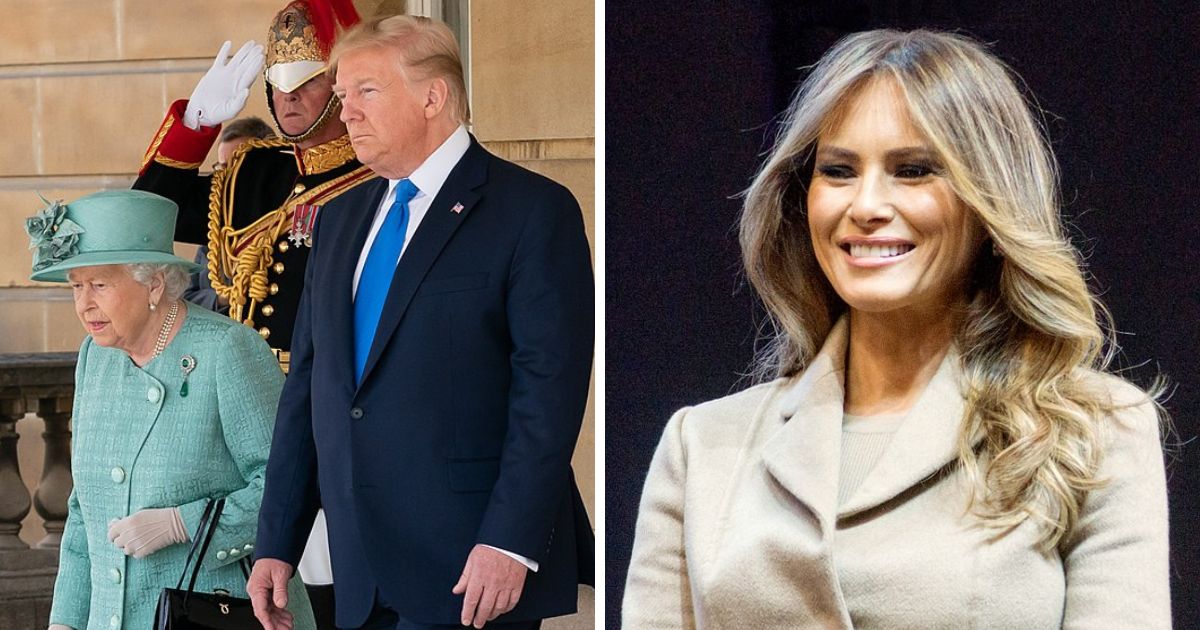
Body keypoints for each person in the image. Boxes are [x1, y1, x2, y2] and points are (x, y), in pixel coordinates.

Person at [623, 29, 1169, 629]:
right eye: (838, 171)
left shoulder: (1093, 432)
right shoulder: (700, 445)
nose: (866, 205)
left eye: (912, 170)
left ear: (988, 201)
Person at [246, 14, 595, 630]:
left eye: (366, 92)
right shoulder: (338, 219)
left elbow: (549, 394)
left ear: (433, 96)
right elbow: (308, 391)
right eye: (343, 95)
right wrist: (276, 539)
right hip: (359, 574)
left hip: (471, 572)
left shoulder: (532, 211)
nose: (346, 112)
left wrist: (510, 542)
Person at [28, 190, 316, 630]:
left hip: (213, 614)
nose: (84, 304)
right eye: (76, 285)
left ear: (154, 285)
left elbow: (288, 482)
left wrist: (183, 523)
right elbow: (85, 508)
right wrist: (65, 620)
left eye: (100, 284)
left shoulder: (227, 350)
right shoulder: (95, 357)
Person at [134, 0, 375, 366]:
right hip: (239, 381)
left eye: (307, 80)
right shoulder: (253, 169)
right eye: (278, 81)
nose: (289, 96)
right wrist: (195, 122)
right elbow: (151, 214)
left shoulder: (377, 175)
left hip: (321, 389)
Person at [183, 116, 277, 314]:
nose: (227, 177)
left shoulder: (286, 219)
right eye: (222, 167)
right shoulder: (218, 224)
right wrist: (222, 296)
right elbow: (186, 300)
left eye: (238, 166)